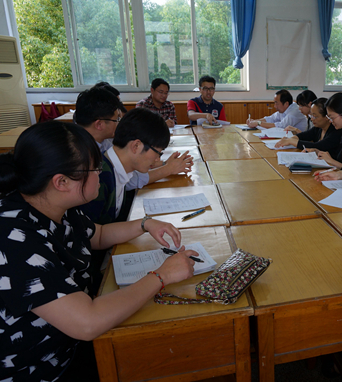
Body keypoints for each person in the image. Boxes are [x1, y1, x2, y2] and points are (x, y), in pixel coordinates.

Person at [0, 121, 196, 382]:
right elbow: (87, 323)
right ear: (61, 182)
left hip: (68, 345)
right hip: (42, 368)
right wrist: (161, 276)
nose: (100, 172)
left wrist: (145, 223)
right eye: (94, 168)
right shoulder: (13, 238)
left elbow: (99, 234)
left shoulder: (55, 206)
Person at [75, 88, 193, 196]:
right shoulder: (85, 160)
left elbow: (130, 167)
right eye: (116, 119)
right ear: (99, 124)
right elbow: (129, 178)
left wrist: (162, 164)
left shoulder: (105, 143)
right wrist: (167, 169)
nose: (119, 123)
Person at [274, 97, 342, 158]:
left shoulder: (336, 131)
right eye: (311, 116)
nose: (312, 119)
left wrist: (291, 141)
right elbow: (304, 135)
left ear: (327, 117)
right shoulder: (319, 128)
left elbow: (318, 146)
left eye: (315, 116)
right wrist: (291, 138)